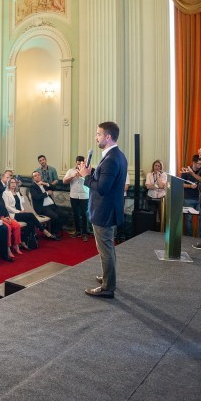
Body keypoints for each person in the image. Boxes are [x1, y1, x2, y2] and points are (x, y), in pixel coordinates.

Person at [80, 121, 128, 299]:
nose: (96, 137)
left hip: (103, 211)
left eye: (98, 134)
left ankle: (108, 287)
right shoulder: (117, 155)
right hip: (109, 209)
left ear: (108, 137)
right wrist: (92, 173)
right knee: (108, 248)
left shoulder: (111, 159)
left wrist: (86, 176)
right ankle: (108, 278)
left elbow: (102, 188)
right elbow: (105, 182)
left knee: (105, 250)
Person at [0, 181, 23, 256]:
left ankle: (16, 245)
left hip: (5, 216)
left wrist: (8, 217)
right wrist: (2, 219)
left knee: (17, 226)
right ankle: (7, 248)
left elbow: (5, 208)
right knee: (8, 228)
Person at [2, 179, 39, 248]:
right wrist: (19, 211)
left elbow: (21, 204)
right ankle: (43, 229)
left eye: (14, 182)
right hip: (12, 214)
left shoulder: (17, 192)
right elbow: (7, 206)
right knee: (31, 215)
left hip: (20, 212)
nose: (13, 184)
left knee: (31, 222)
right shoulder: (5, 193)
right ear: (8, 184)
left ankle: (23, 240)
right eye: (11, 182)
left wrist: (23, 210)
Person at [63, 155, 91, 241]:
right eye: (78, 163)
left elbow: (91, 182)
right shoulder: (71, 171)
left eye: (81, 164)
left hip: (84, 195)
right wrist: (73, 176)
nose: (79, 165)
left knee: (84, 214)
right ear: (76, 162)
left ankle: (85, 233)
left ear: (84, 163)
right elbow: (64, 181)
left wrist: (83, 176)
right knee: (75, 214)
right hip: (74, 195)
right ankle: (78, 231)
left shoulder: (88, 171)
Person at [29, 171, 62, 239]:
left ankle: (55, 230)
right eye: (35, 176)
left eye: (38, 175)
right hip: (42, 207)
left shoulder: (44, 184)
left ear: (41, 176)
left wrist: (46, 183)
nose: (37, 176)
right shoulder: (32, 186)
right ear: (33, 178)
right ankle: (53, 233)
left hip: (52, 205)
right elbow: (37, 197)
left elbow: (54, 188)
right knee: (55, 216)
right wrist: (47, 193)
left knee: (65, 215)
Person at [180, 155, 201, 236]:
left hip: (200, 199)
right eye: (199, 164)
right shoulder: (186, 171)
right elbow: (180, 184)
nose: (200, 165)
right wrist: (190, 186)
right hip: (188, 199)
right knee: (188, 219)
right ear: (194, 163)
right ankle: (188, 238)